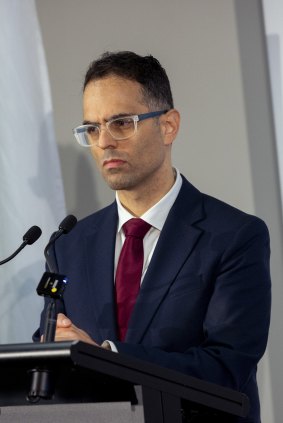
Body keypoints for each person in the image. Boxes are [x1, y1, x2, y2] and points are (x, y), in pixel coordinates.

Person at [34, 51, 271, 422]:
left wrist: (106, 356)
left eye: (121, 123)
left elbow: (226, 368)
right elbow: (49, 358)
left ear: (168, 126)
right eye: (92, 129)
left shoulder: (235, 236)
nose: (105, 142)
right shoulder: (69, 245)